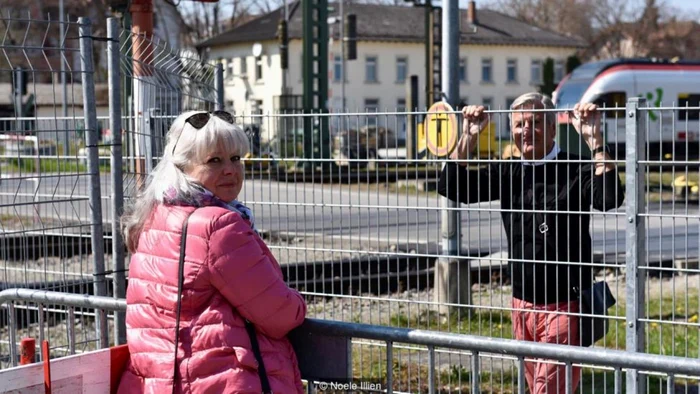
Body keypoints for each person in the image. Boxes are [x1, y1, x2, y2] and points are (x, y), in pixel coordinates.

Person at [438, 93, 625, 394]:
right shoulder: (508, 171)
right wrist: (468, 136)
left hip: (565, 305)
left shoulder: (575, 168)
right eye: (519, 124)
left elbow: (609, 197)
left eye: (536, 123)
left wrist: (595, 142)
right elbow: (452, 185)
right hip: (521, 305)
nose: (526, 130)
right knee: (540, 386)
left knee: (545, 390)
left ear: (552, 129)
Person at [118, 110, 307, 394]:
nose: (230, 169)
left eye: (236, 158)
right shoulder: (219, 226)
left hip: (162, 381)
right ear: (184, 167)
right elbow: (279, 315)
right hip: (221, 381)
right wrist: (298, 302)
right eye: (214, 161)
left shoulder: (156, 216)